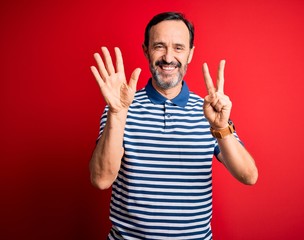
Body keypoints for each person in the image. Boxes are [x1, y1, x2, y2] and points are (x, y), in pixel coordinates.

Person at [89, 12, 258, 240]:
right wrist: (118, 114)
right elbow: (101, 179)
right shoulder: (118, 105)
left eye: (178, 47)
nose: (168, 58)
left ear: (190, 53)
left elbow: (249, 176)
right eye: (159, 46)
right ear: (146, 50)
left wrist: (221, 129)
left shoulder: (209, 110)